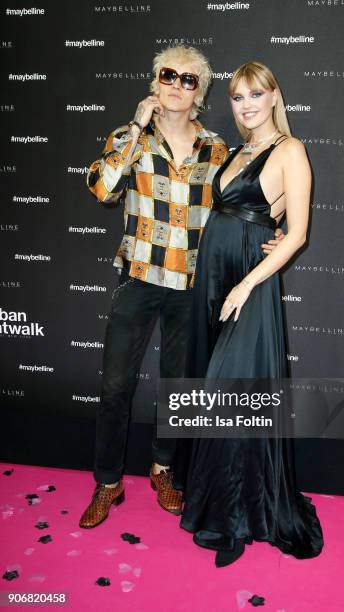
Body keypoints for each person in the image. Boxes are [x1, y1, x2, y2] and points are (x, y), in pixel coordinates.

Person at [79, 46, 283, 529]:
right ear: (155, 82)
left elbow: (241, 203)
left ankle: (163, 468)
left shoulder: (217, 149)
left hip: (194, 284)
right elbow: (102, 189)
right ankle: (108, 482)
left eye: (188, 79)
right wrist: (133, 129)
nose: (176, 84)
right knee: (115, 386)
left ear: (201, 91)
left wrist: (273, 234)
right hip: (139, 277)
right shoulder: (130, 138)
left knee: (180, 388)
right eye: (167, 75)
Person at [173, 61, 324, 567]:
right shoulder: (239, 151)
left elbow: (296, 232)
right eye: (238, 97)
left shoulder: (290, 151)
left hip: (247, 283)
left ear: (275, 96)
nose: (248, 104)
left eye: (257, 94)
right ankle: (222, 500)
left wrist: (246, 283)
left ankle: (237, 515)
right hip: (213, 281)